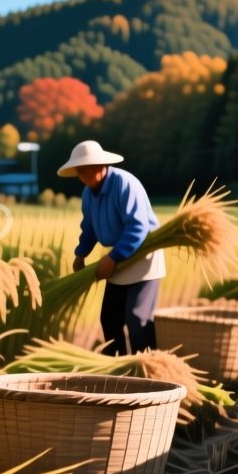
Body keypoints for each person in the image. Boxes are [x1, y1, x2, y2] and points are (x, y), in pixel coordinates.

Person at [60, 140, 166, 355]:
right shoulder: (88, 195)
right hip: (118, 260)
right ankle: (118, 369)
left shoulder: (124, 184)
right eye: (80, 171)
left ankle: (147, 373)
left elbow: (138, 227)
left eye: (87, 169)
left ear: (100, 166)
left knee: (138, 318)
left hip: (142, 258)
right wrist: (81, 254)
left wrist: (113, 257)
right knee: (109, 318)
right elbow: (89, 228)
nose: (83, 175)